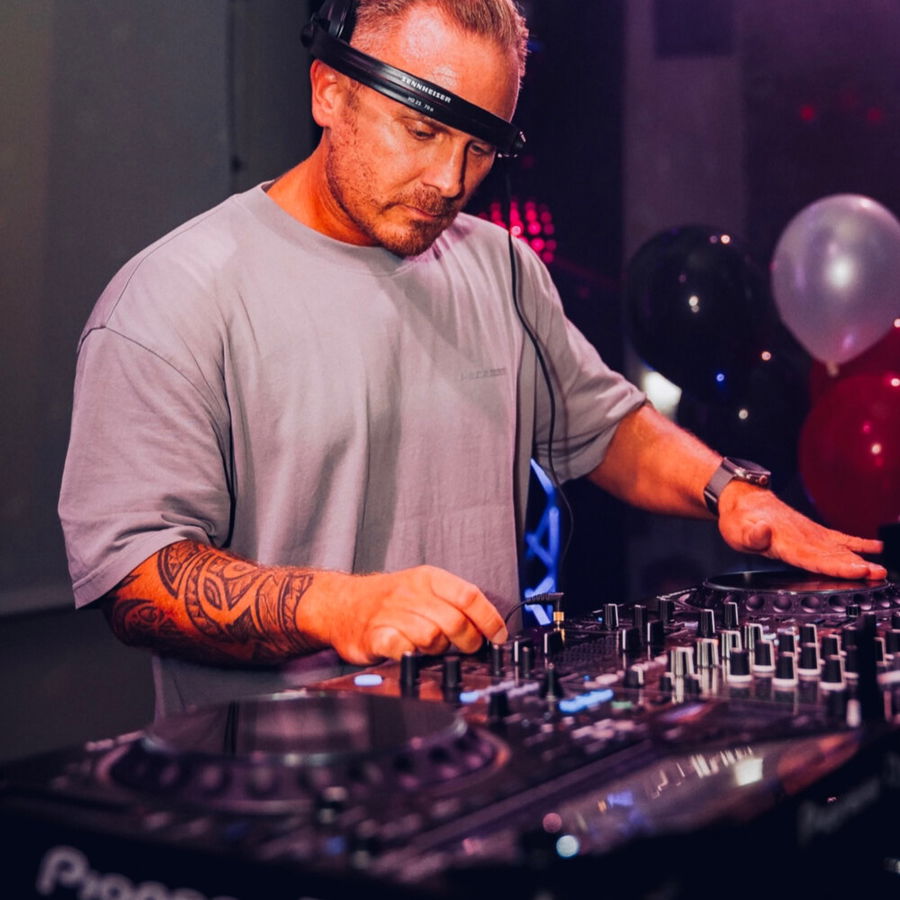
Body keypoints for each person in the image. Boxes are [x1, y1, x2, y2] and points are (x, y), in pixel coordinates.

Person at [59, 0, 885, 718]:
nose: (450, 180)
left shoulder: (500, 267)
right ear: (329, 91)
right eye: (422, 130)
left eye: (480, 147)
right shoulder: (174, 297)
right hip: (269, 792)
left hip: (487, 761)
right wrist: (339, 607)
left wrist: (729, 493)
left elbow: (602, 428)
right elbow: (134, 579)